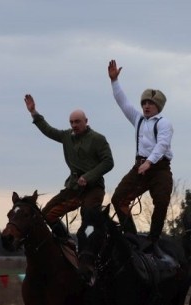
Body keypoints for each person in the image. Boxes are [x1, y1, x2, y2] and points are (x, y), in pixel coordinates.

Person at [24, 94, 114, 243]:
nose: (74, 125)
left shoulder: (98, 139)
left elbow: (108, 162)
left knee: (89, 215)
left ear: (86, 121)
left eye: (77, 122)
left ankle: (102, 244)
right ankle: (66, 242)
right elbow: (48, 130)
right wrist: (33, 112)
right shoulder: (67, 136)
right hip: (73, 188)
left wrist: (88, 177)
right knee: (46, 213)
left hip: (93, 188)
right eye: (71, 122)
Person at [108, 59, 174, 255]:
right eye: (144, 103)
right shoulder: (138, 119)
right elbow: (123, 102)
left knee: (161, 201)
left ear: (158, 107)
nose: (146, 106)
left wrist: (149, 162)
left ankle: (153, 239)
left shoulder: (164, 123)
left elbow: (162, 145)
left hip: (160, 167)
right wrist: (114, 81)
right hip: (140, 166)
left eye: (151, 104)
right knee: (118, 198)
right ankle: (131, 237)